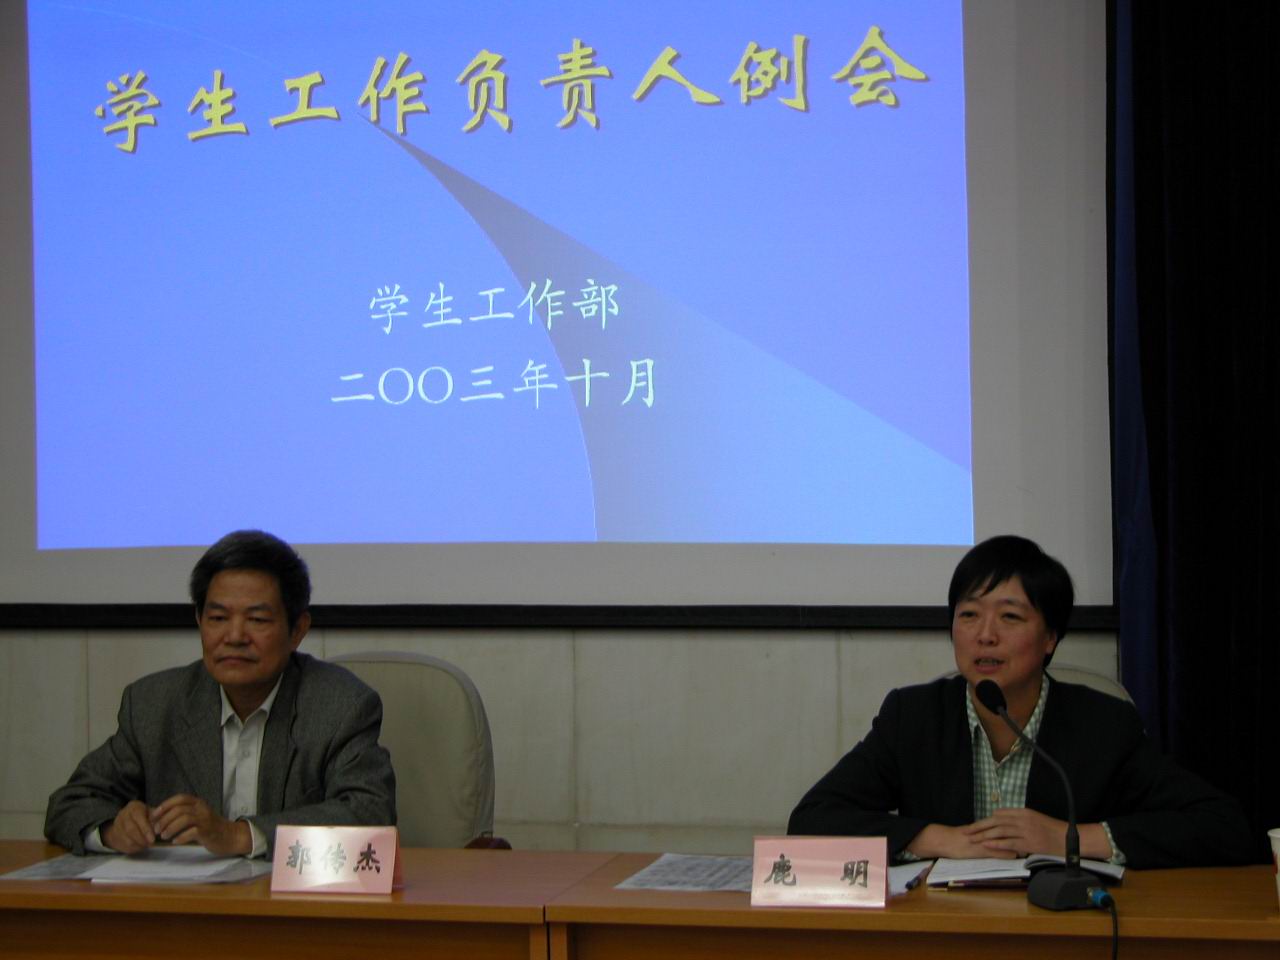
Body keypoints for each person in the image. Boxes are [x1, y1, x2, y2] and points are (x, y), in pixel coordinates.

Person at [787, 535, 1255, 868]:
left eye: (1009, 617)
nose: (985, 635)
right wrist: (937, 839)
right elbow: (812, 819)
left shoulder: (1103, 725)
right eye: (969, 615)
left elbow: (1224, 826)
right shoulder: (912, 717)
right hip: (944, 931)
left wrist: (1070, 838)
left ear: (1050, 638)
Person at [45, 530, 396, 858]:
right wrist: (112, 830)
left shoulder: (340, 705)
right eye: (218, 618)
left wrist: (240, 836)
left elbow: (370, 813)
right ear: (199, 620)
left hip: (292, 899)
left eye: (257, 620)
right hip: (185, 902)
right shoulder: (154, 704)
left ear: (297, 630)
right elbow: (70, 804)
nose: (235, 636)